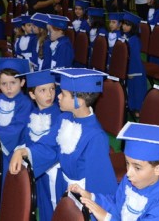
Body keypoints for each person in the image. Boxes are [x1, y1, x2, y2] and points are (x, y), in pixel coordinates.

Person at [9, 68, 118, 206]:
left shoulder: (96, 136)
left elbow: (99, 180)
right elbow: (49, 147)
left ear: (79, 101)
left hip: (81, 195)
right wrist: (23, 151)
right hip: (63, 185)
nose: (58, 96)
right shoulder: (64, 118)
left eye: (64, 94)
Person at [69, 121, 159, 221]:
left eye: (137, 167)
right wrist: (91, 197)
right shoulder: (131, 180)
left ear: (158, 169)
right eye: (127, 163)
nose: (128, 173)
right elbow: (116, 203)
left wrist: (106, 217)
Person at [20, 70, 61, 221]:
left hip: (53, 170)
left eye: (52, 88)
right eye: (42, 90)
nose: (49, 94)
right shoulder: (32, 115)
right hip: (37, 168)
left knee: (54, 205)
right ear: (32, 95)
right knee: (43, 204)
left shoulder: (59, 115)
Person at [0, 58, 32, 185]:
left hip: (11, 149)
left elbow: (16, 129)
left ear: (22, 82)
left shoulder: (25, 104)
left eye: (13, 83)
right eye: (4, 84)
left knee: (0, 177)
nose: (8, 88)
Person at [122, 11, 147, 117]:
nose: (124, 26)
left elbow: (135, 58)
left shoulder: (135, 40)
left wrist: (132, 72)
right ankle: (131, 107)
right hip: (128, 68)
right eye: (123, 23)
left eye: (127, 24)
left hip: (135, 70)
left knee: (137, 90)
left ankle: (138, 109)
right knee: (130, 90)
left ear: (134, 27)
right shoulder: (125, 37)